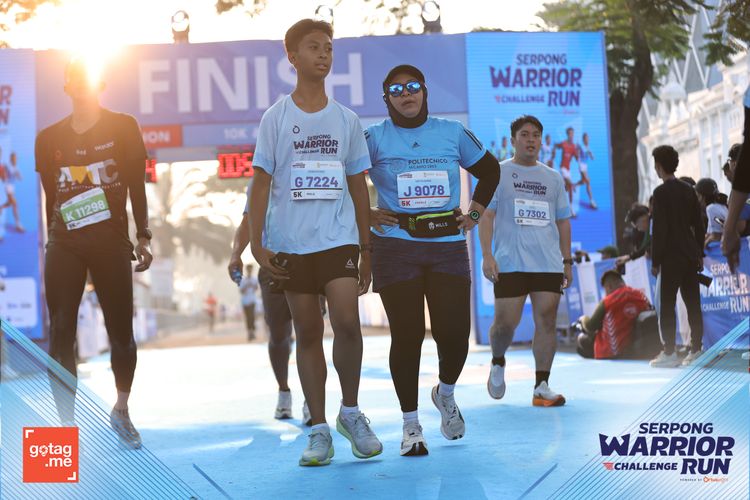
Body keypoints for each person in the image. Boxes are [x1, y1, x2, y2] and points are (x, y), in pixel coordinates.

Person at [248, 19, 382, 467]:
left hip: (339, 240)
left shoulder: (346, 119)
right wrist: (257, 245)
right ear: (292, 56)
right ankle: (319, 429)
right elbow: (260, 186)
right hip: (291, 245)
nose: (323, 54)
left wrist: (366, 249)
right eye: (313, 47)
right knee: (306, 333)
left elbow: (358, 187)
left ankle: (351, 412)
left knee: (346, 321)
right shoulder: (275, 118)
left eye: (328, 47)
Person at [366, 64, 499, 456]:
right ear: (386, 99)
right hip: (395, 247)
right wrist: (367, 214)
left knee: (454, 334)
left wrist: (473, 214)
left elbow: (490, 171)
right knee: (407, 336)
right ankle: (411, 425)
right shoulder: (373, 137)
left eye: (412, 87)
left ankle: (445, 393)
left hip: (447, 245)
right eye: (396, 90)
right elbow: (344, 179)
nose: (406, 94)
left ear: (424, 91)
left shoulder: (452, 132)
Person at [34, 57, 152, 448]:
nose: (82, 84)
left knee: (121, 333)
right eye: (75, 78)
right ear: (66, 87)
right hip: (65, 243)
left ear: (100, 83)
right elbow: (52, 198)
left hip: (111, 242)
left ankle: (121, 409)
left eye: (88, 77)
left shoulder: (123, 126)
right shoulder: (47, 138)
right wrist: (53, 241)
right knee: (61, 330)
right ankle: (66, 427)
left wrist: (144, 237)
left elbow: (136, 186)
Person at [479, 114, 573, 407]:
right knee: (505, 325)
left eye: (536, 135)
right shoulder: (498, 173)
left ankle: (541, 385)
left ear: (541, 141)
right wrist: (487, 255)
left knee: (546, 320)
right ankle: (497, 360)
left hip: (547, 263)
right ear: (513, 140)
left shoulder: (553, 177)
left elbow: (563, 221)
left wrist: (567, 261)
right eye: (524, 134)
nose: (531, 140)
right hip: (510, 262)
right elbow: (487, 215)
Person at [228, 187, 311, 424]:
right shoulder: (261, 180)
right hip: (272, 264)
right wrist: (236, 254)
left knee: (309, 333)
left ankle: (311, 400)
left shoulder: (312, 168)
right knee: (278, 335)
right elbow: (248, 221)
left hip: (312, 261)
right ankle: (284, 392)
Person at [649, 145, 705, 368]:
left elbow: (659, 230)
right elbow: (698, 224)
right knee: (693, 303)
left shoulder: (660, 193)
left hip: (670, 257)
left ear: (659, 166)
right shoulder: (689, 190)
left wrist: (655, 260)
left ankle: (670, 352)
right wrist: (699, 251)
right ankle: (696, 348)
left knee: (667, 304)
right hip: (690, 254)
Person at [576, 270, 652, 359]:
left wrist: (583, 318)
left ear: (609, 287)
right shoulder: (641, 295)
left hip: (612, 353)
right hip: (639, 349)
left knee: (581, 339)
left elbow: (590, 326)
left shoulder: (607, 301)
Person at [552, 127, 579, 216]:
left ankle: (566, 206)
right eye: (570, 133)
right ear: (567, 134)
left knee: (566, 189)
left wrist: (578, 152)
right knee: (570, 185)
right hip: (562, 168)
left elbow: (577, 158)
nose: (571, 135)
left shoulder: (573, 146)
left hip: (568, 170)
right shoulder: (564, 143)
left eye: (572, 133)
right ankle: (570, 209)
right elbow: (556, 145)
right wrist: (553, 151)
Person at [695, 178, 727, 248]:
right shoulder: (720, 206)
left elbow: (716, 236)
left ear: (702, 196)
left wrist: (702, 247)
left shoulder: (711, 209)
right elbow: (709, 234)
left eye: (697, 196)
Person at [0, 148, 23, 232]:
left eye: (16, 158)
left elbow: (20, 178)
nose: (15, 160)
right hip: (7, 187)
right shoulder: (7, 166)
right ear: (11, 159)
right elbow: (3, 177)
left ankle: (1, 207)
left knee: (9, 203)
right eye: (14, 158)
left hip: (11, 188)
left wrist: (18, 175)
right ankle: (18, 224)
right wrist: (4, 175)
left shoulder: (15, 167)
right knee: (14, 204)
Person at [576, 132, 597, 209]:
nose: (587, 139)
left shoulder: (589, 148)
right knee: (588, 181)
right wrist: (579, 165)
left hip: (585, 166)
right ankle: (592, 201)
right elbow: (577, 155)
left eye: (588, 138)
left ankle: (572, 186)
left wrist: (590, 153)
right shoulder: (581, 146)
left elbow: (593, 158)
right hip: (581, 166)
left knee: (584, 181)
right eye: (586, 138)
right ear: (583, 139)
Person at [239, 264, 259, 340]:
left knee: (252, 317)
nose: (250, 271)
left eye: (251, 269)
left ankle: (252, 332)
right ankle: (249, 332)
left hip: (252, 300)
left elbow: (256, 288)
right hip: (245, 301)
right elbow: (241, 291)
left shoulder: (254, 279)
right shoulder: (243, 280)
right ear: (247, 270)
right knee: (248, 317)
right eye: (248, 269)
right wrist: (247, 285)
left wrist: (253, 285)